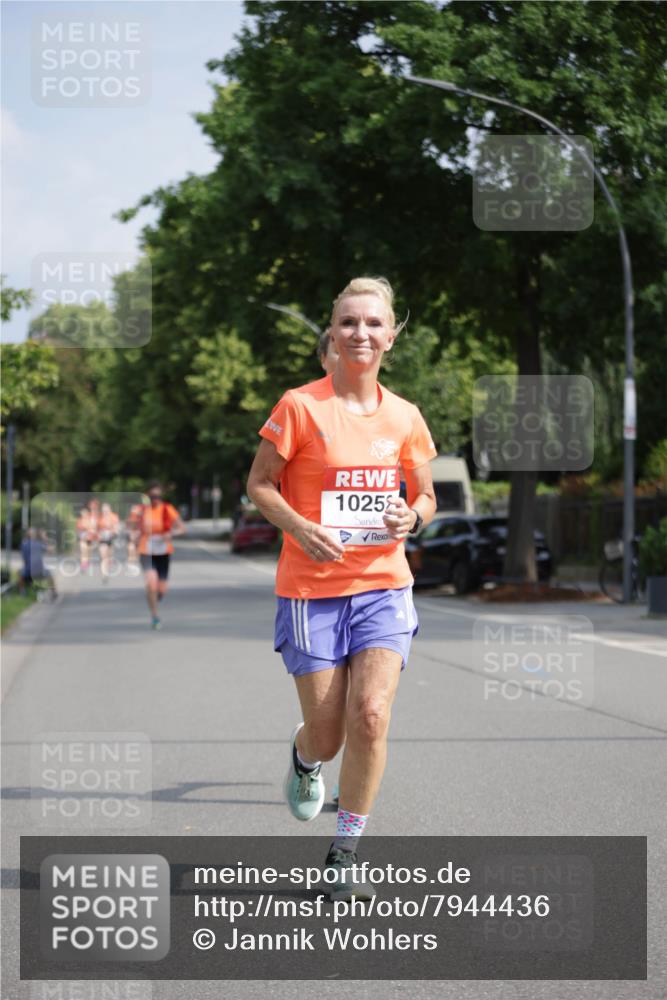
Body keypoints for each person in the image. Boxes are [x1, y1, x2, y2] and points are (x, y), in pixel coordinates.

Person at [247, 276, 436, 901]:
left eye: (373, 323)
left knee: (372, 716)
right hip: (311, 591)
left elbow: (426, 494)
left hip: (384, 585)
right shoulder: (300, 406)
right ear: (332, 333)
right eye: (349, 322)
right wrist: (300, 527)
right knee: (328, 734)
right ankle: (305, 760)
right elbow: (260, 484)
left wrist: (413, 517)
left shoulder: (404, 416)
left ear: (391, 336)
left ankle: (345, 852)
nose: (361, 333)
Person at [137, 482, 186, 629]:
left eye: (158, 496)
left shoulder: (167, 509)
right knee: (152, 582)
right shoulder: (141, 511)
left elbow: (182, 529)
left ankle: (155, 594)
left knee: (161, 588)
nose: (155, 499)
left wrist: (171, 534)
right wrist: (132, 534)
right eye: (152, 496)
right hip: (146, 551)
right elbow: (131, 527)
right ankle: (155, 617)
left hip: (163, 551)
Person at [18, 528, 57, 598]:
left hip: (27, 571)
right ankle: (54, 592)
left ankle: (22, 591)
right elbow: (51, 551)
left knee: (20, 573)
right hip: (39, 570)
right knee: (50, 574)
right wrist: (45, 539)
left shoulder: (23, 544)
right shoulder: (38, 544)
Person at [97, 502, 120, 583]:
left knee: (109, 556)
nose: (105, 511)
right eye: (103, 510)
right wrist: (98, 534)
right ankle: (104, 574)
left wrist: (114, 533)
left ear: (110, 510)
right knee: (103, 556)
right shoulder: (99, 517)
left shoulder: (114, 517)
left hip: (111, 538)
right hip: (102, 539)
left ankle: (109, 561)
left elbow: (116, 528)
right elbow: (96, 528)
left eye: (106, 510)